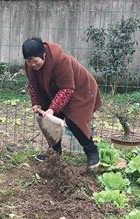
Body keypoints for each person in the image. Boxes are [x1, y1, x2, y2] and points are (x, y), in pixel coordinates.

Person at [22, 37, 102, 168]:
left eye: (35, 61)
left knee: (74, 121)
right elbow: (33, 85)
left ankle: (92, 152)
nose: (33, 65)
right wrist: (36, 102)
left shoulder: (60, 60)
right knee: (48, 120)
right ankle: (54, 153)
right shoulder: (30, 65)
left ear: (43, 54)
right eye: (29, 61)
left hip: (80, 89)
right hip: (54, 90)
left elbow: (67, 88)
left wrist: (52, 109)